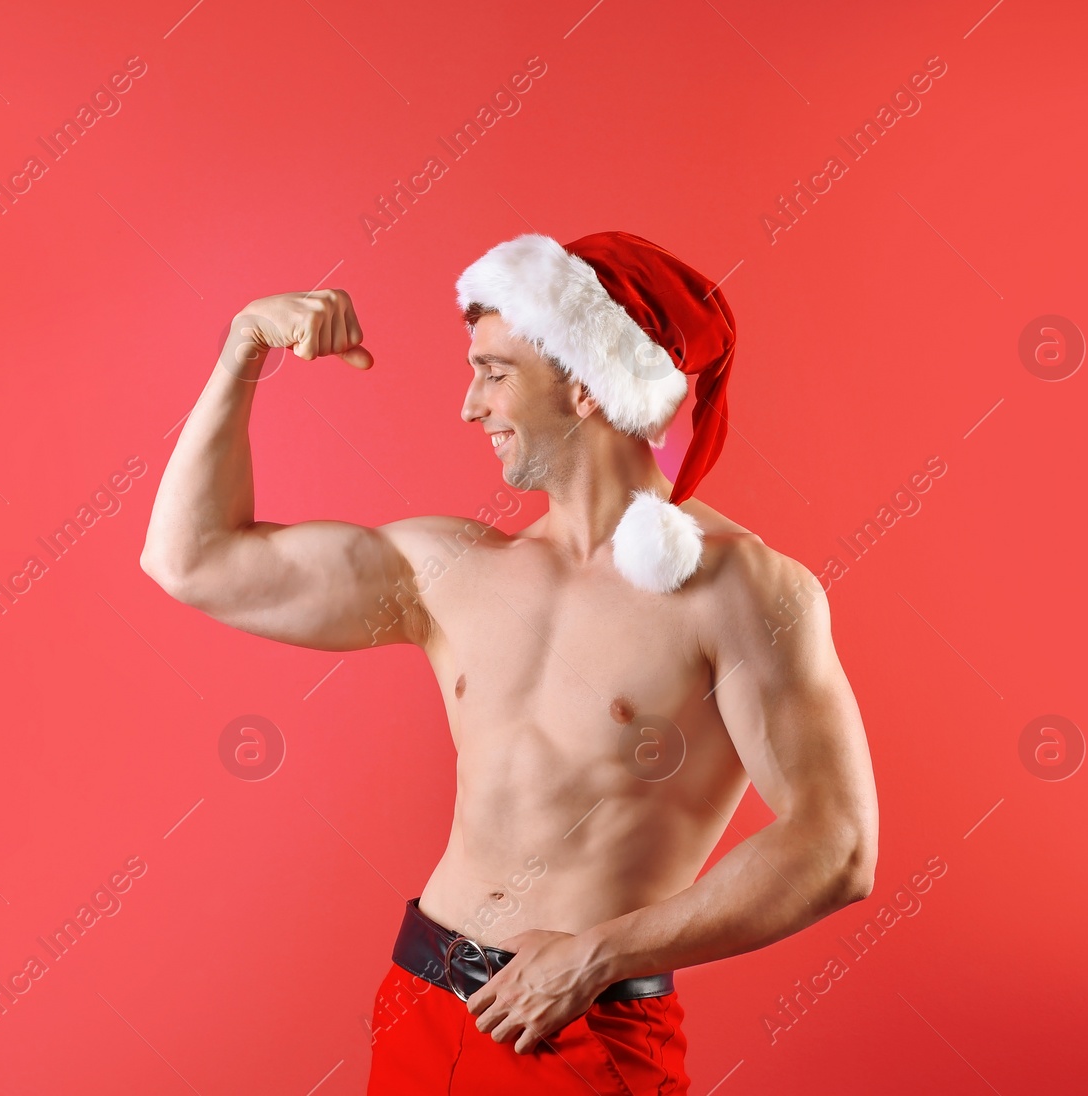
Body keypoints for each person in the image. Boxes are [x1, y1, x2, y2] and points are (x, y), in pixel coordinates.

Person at [139, 231, 878, 1094]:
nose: (468, 405)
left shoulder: (738, 588)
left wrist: (600, 955)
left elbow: (838, 845)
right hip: (421, 1003)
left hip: (583, 1030)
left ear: (586, 382)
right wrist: (243, 350)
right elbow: (189, 560)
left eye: (494, 373)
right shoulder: (450, 570)